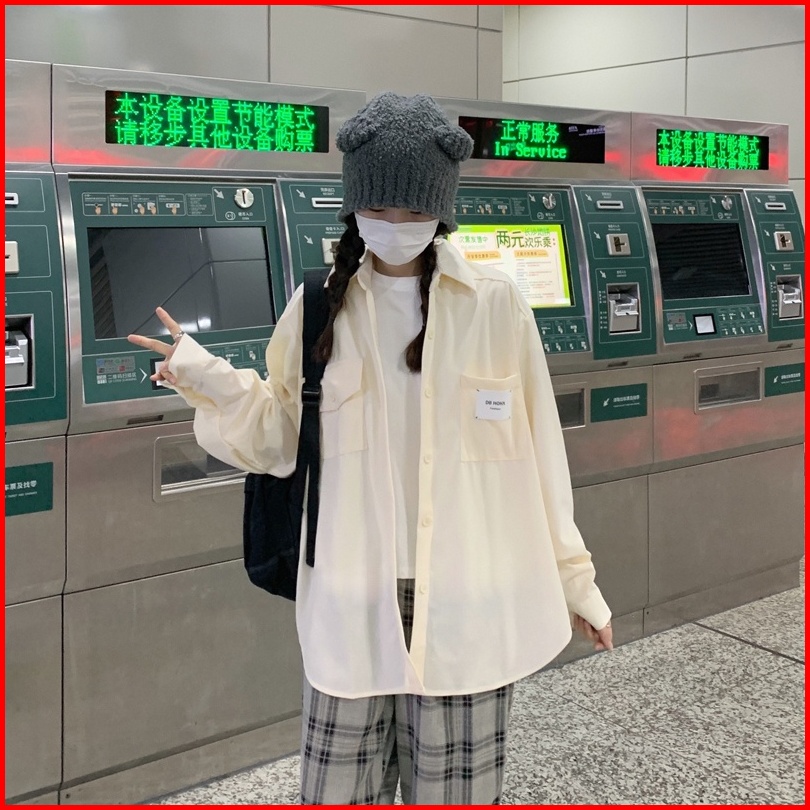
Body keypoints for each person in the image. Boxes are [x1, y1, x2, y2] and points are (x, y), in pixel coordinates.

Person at [128, 91, 612, 805]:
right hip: (350, 602)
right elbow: (282, 438)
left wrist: (577, 584)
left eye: (413, 211)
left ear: (441, 210)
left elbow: (541, 458)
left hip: (469, 602)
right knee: (336, 792)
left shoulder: (494, 304)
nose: (395, 226)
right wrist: (205, 377)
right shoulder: (317, 306)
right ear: (354, 206)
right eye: (379, 208)